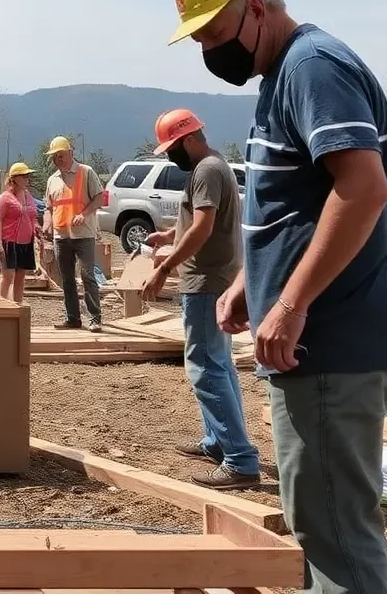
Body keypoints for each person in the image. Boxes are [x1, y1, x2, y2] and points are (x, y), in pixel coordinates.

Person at [169, 0, 387, 594]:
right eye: (198, 42)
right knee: (323, 521)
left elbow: (362, 191)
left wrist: (291, 303)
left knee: (333, 530)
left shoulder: (311, 67)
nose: (210, 53)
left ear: (258, 8)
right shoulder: (284, 73)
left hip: (334, 340)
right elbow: (298, 203)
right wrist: (253, 283)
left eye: (216, 36)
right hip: (325, 338)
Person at [140, 109, 260, 490]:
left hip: (206, 282)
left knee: (205, 367)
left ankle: (239, 459)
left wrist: (163, 268)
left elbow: (205, 226)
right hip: (213, 280)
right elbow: (198, 219)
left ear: (189, 138)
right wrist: (169, 234)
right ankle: (217, 442)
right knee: (218, 364)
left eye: (172, 147)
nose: (170, 155)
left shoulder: (206, 169)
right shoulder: (213, 166)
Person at [42, 136, 106, 332]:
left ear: (71, 153)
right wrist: (47, 224)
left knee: (87, 275)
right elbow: (49, 207)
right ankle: (73, 318)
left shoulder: (86, 172)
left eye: (61, 155)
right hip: (61, 236)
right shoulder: (52, 180)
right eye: (54, 157)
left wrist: (84, 214)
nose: (58, 159)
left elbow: (99, 197)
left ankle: (95, 318)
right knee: (67, 278)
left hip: (84, 234)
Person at [0, 162, 40, 303]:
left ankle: (17, 306)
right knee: (8, 276)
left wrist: (37, 233)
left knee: (21, 277)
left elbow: (32, 217)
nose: (27, 179)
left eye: (28, 176)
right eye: (24, 176)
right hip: (9, 241)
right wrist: (0, 243)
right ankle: (2, 307)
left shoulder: (28, 196)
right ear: (15, 178)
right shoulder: (5, 198)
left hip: (25, 242)